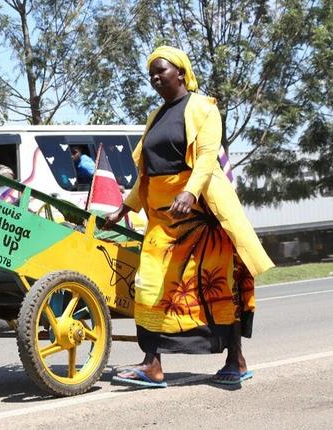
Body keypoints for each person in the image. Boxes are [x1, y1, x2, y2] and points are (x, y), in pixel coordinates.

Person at [103, 46, 274, 388]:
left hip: (199, 213)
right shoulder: (156, 116)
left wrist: (190, 191)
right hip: (162, 217)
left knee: (213, 284)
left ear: (180, 72)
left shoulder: (203, 109)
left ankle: (235, 359)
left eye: (161, 71)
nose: (155, 78)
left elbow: (208, 158)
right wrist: (126, 205)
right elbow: (147, 171)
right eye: (150, 73)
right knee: (149, 281)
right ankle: (152, 364)